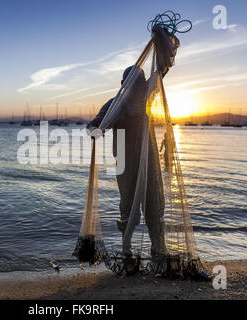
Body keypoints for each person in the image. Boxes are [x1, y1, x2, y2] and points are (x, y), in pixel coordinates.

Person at [87, 66, 167, 275]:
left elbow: (160, 71)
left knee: (154, 207)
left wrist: (160, 40)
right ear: (124, 84)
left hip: (149, 162)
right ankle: (127, 252)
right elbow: (94, 125)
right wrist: (95, 130)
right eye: (132, 82)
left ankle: (158, 251)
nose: (136, 87)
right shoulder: (115, 105)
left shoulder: (147, 98)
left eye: (139, 82)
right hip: (125, 163)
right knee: (128, 208)